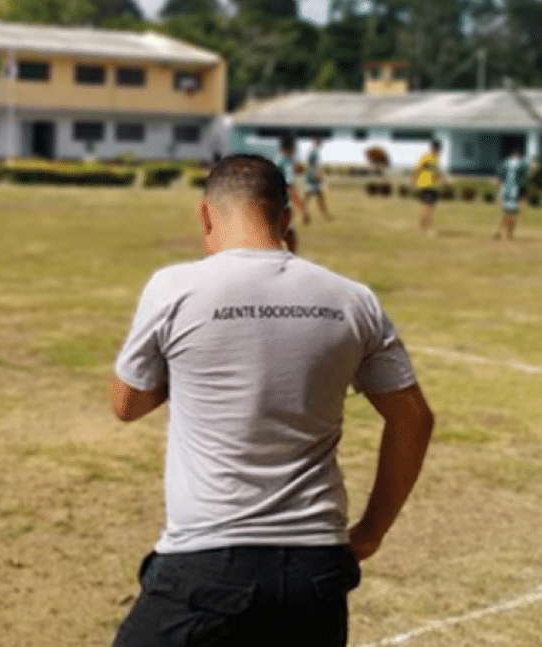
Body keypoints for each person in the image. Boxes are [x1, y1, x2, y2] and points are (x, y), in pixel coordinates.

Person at [109, 154, 434, 647]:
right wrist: (370, 531)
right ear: (286, 217)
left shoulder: (174, 287)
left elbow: (126, 404)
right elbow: (413, 419)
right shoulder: (353, 299)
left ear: (205, 215)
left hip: (205, 562)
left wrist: (196, 367)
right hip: (316, 569)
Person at [275, 137, 308, 252]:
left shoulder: (277, 161)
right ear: (290, 148)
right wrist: (303, 210)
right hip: (282, 206)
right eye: (294, 149)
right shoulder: (286, 163)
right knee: (290, 242)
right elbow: (289, 187)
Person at [493, 148, 529, 241]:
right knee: (510, 213)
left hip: (509, 189)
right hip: (512, 190)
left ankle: (502, 232)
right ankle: (505, 232)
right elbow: (524, 179)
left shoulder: (505, 163)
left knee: (508, 212)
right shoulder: (521, 165)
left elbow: (499, 178)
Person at [413, 140, 443, 234]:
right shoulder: (427, 158)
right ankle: (428, 228)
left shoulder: (436, 159)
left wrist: (441, 180)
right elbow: (418, 169)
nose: (437, 151)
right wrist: (413, 180)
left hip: (432, 185)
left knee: (427, 207)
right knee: (427, 208)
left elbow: (436, 173)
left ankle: (421, 227)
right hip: (425, 185)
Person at [304, 137, 332, 222]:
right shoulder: (314, 152)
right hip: (313, 178)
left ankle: (325, 216)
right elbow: (312, 165)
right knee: (314, 197)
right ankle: (324, 216)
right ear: (317, 143)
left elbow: (312, 165)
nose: (321, 144)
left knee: (317, 197)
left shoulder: (314, 152)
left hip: (311, 177)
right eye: (320, 142)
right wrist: (316, 176)